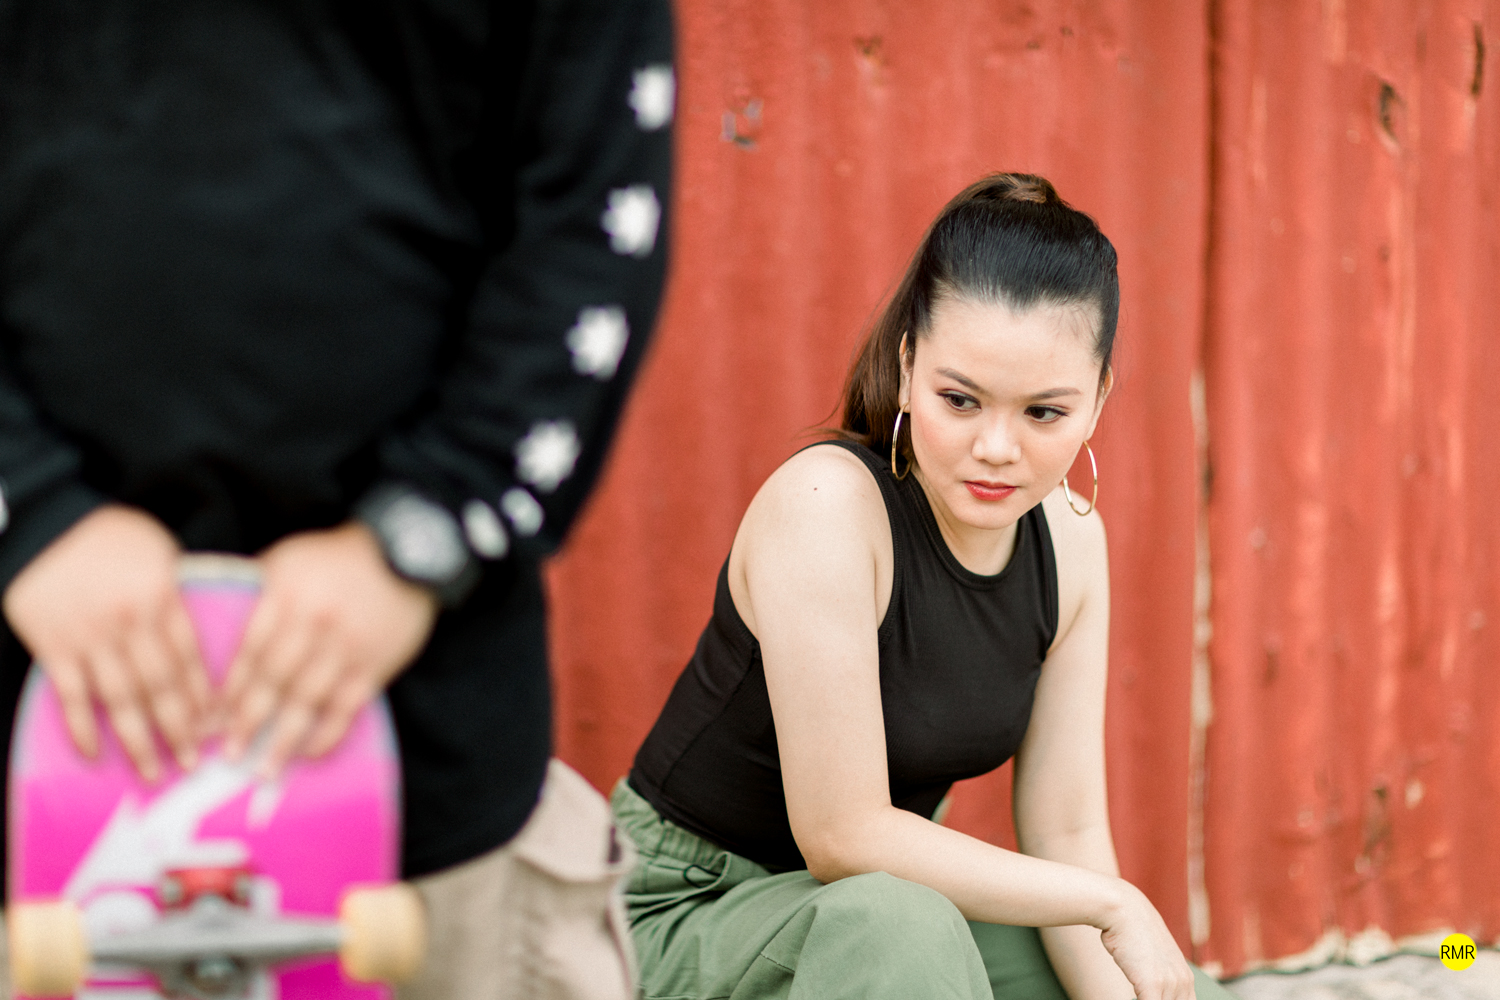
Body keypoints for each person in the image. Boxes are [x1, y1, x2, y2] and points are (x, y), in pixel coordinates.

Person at [0, 1, 673, 996]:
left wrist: (426, 530)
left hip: (441, 806)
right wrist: (28, 507)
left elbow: (593, 208)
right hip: (32, 817)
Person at [612, 174, 1239, 1000]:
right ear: (908, 367)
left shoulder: (1072, 542)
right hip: (685, 908)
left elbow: (1067, 827)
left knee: (1165, 989)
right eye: (960, 399)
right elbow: (844, 835)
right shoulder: (828, 508)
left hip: (876, 918)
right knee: (902, 927)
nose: (997, 448)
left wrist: (1116, 970)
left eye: (1044, 413)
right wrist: (1111, 902)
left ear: (1097, 402)